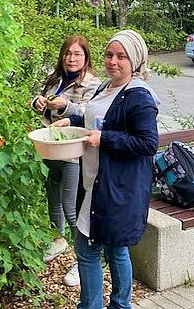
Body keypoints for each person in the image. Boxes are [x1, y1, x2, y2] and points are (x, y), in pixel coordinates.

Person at [53, 30, 160, 308]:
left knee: (92, 249)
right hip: (95, 181)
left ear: (134, 60)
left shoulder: (139, 97)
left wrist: (105, 138)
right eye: (109, 55)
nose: (113, 61)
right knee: (113, 248)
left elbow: (148, 143)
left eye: (121, 56)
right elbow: (96, 117)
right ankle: (117, 305)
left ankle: (103, 305)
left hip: (116, 188)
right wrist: (71, 117)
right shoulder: (105, 87)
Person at [30, 36, 101, 286]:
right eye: (68, 54)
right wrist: (37, 102)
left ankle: (84, 262)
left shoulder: (93, 84)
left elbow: (90, 113)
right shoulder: (55, 78)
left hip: (72, 152)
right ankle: (57, 241)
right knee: (53, 198)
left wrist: (67, 107)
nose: (72, 58)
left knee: (72, 209)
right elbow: (37, 100)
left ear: (86, 57)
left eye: (77, 54)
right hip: (50, 148)